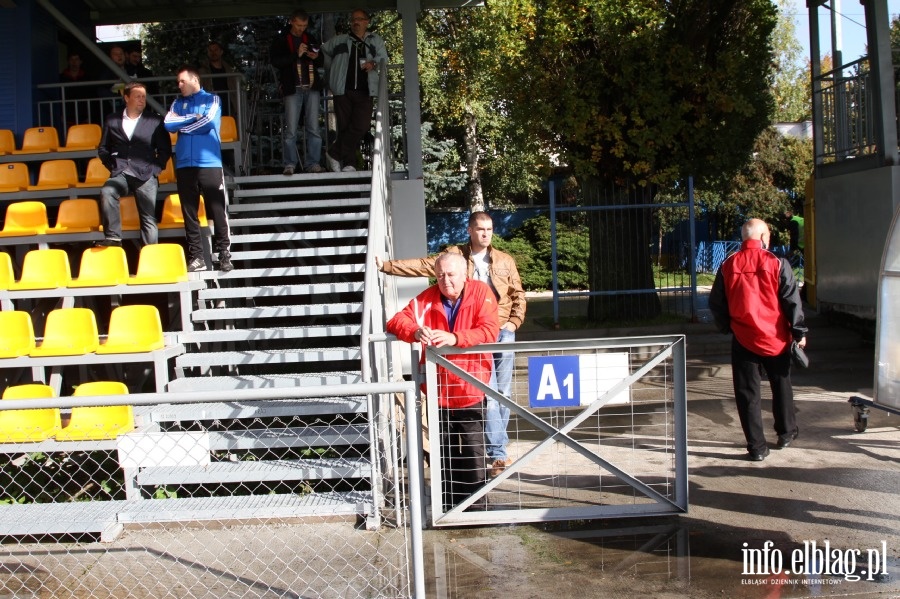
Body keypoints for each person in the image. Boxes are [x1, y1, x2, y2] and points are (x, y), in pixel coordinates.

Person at [376, 211, 526, 477]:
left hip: (493, 335)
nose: (486, 233)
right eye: (480, 229)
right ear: (470, 230)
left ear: (464, 274)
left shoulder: (501, 263)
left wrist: (513, 323)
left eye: (489, 229)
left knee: (500, 396)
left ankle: (497, 454)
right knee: (453, 445)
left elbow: (516, 295)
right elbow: (418, 273)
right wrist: (388, 268)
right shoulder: (448, 267)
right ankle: (457, 495)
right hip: (444, 384)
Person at [386, 252, 499, 510]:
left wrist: (455, 338)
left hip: (471, 388)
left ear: (464, 274)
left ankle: (476, 506)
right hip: (438, 392)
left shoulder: (481, 293)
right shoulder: (428, 298)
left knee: (474, 454)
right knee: (444, 454)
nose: (445, 281)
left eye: (450, 275)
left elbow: (490, 329)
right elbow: (395, 321)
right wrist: (415, 331)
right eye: (439, 275)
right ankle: (447, 507)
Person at [709, 218, 808, 462]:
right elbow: (791, 301)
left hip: (743, 338)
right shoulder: (777, 263)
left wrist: (728, 326)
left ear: (744, 238)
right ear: (763, 237)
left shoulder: (728, 264)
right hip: (776, 337)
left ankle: (757, 447)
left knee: (747, 394)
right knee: (781, 385)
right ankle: (786, 433)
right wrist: (799, 332)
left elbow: (716, 303)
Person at [164, 66, 232, 273]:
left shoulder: (212, 100)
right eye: (178, 82)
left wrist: (183, 126)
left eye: (182, 81)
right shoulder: (177, 102)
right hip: (184, 163)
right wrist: (193, 120)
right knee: (189, 212)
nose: (179, 85)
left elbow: (209, 122)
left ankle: (224, 254)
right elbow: (168, 124)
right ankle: (197, 256)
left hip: (209, 162)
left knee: (217, 209)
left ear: (195, 80)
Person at [96, 81, 172, 248]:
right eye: (138, 96)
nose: (142, 100)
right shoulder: (112, 120)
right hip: (121, 172)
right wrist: (112, 166)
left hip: (146, 174)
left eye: (144, 97)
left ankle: (150, 256)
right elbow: (103, 148)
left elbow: (165, 149)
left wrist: (156, 169)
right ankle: (114, 237)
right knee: (107, 191)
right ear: (126, 97)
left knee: (148, 218)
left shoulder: (155, 121)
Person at [320, 9, 387, 172]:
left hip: (365, 90)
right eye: (353, 20)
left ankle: (334, 154)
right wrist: (330, 71)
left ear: (367, 22)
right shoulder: (340, 40)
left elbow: (384, 57)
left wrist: (374, 63)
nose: (355, 22)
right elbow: (323, 52)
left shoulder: (374, 40)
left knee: (361, 126)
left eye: (359, 19)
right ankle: (349, 164)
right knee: (344, 127)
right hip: (342, 89)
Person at [271, 9, 325, 175]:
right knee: (291, 129)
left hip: (311, 86)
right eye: (299, 25)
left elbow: (321, 60)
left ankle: (313, 163)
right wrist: (296, 54)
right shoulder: (281, 39)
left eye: (305, 25)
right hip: (292, 87)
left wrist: (316, 58)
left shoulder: (310, 38)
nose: (302, 28)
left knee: (314, 128)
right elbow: (276, 61)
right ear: (291, 21)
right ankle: (290, 164)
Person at [199, 41, 239, 116]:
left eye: (216, 50)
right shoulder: (203, 72)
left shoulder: (229, 71)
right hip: (211, 108)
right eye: (210, 50)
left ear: (221, 52)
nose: (213, 53)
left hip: (228, 107)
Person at [60, 52, 94, 126]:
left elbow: (91, 95)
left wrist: (89, 115)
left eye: (76, 59)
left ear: (80, 62)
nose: (74, 62)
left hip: (83, 115)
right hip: (67, 115)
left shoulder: (87, 78)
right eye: (71, 59)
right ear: (68, 61)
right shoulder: (61, 78)